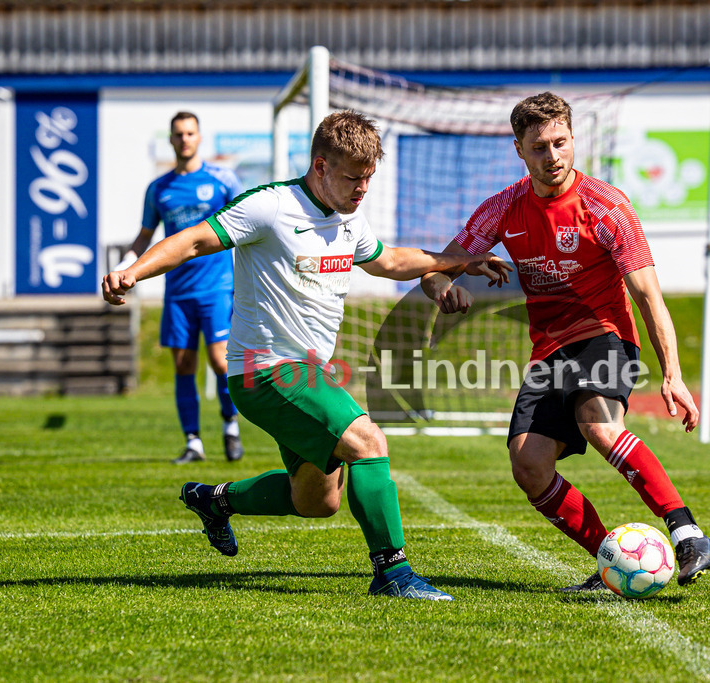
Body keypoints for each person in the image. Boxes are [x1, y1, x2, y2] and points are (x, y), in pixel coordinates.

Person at [103, 110, 511, 601]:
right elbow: (191, 241)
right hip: (267, 370)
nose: (363, 188)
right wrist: (133, 271)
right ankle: (393, 573)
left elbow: (391, 261)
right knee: (368, 440)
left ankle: (213, 500)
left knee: (317, 501)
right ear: (320, 167)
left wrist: (460, 260)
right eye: (353, 178)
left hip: (305, 375)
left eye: (369, 178)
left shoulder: (347, 220)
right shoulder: (270, 206)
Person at [420, 92, 710, 591]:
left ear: (573, 139)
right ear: (520, 150)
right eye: (539, 147)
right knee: (528, 464)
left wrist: (673, 374)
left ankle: (688, 534)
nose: (553, 156)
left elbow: (648, 294)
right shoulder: (503, 208)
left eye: (561, 143)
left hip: (605, 335)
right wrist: (444, 288)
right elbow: (439, 266)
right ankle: (612, 562)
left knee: (599, 424)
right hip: (549, 351)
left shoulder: (607, 206)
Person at [117, 112, 245, 464]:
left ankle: (230, 426)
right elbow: (145, 235)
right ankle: (193, 442)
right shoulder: (159, 188)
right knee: (184, 364)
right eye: (178, 134)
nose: (184, 139)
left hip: (218, 287)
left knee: (221, 361)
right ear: (171, 140)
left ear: (199, 137)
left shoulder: (223, 181)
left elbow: (246, 225)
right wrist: (123, 269)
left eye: (190, 133)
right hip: (177, 292)